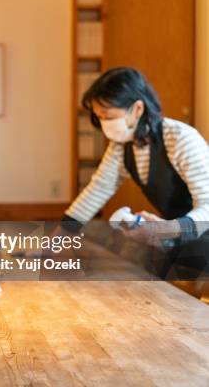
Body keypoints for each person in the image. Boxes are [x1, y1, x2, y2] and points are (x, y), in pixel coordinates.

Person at [62, 67, 209, 276]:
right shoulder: (122, 145)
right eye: (99, 117)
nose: (104, 124)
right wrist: (53, 244)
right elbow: (97, 190)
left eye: (108, 116)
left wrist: (164, 230)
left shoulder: (181, 138)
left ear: (137, 109)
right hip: (179, 236)